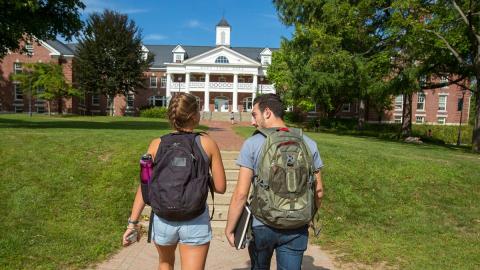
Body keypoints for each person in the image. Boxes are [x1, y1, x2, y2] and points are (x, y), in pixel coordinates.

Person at [123, 93, 227, 270]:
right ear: (194, 116)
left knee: (165, 263)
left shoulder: (156, 144)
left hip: (163, 219)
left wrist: (132, 223)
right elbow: (220, 187)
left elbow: (145, 184)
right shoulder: (207, 143)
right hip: (195, 218)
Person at [224, 94, 324, 270]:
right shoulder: (308, 143)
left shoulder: (252, 144)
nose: (252, 122)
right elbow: (319, 191)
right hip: (296, 225)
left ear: (267, 112)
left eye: (254, 115)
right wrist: (307, 215)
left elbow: (241, 194)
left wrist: (230, 228)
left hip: (262, 224)